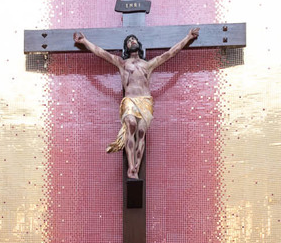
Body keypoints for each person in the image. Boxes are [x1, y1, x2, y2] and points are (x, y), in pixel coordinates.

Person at [72, 29, 198, 179]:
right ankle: (130, 166)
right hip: (130, 100)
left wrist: (188, 37)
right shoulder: (122, 63)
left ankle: (136, 168)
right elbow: (101, 53)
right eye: (129, 41)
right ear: (126, 47)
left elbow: (170, 53)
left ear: (138, 44)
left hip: (145, 101)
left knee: (141, 132)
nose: (132, 41)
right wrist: (85, 41)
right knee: (131, 124)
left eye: (134, 39)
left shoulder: (148, 64)